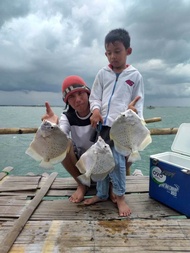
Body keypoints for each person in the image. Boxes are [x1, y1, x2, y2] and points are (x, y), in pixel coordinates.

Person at [85, 28, 144, 217]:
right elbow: (95, 97)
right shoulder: (102, 74)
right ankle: (102, 194)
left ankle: (120, 197)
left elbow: (138, 104)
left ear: (128, 51)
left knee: (118, 163)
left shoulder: (135, 76)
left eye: (117, 51)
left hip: (122, 128)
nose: (113, 56)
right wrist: (95, 110)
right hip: (103, 126)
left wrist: (135, 114)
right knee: (101, 159)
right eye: (109, 53)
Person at [41, 75, 95, 203]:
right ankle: (82, 184)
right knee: (64, 143)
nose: (77, 99)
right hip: (81, 161)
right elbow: (62, 134)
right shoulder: (67, 117)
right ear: (67, 101)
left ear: (88, 93)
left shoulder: (99, 111)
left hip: (102, 157)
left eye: (80, 93)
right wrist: (52, 126)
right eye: (71, 96)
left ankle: (112, 184)